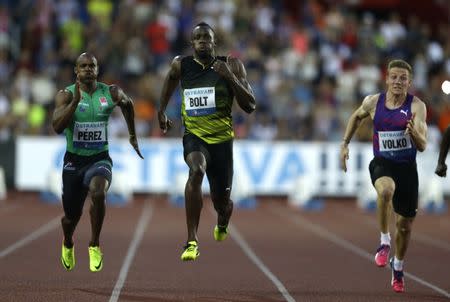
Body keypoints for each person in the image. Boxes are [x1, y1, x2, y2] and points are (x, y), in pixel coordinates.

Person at [157, 22, 256, 261]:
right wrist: (161, 110)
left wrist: (230, 77)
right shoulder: (181, 65)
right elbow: (170, 81)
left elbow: (250, 105)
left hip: (222, 142)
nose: (202, 40)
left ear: (214, 42)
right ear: (192, 43)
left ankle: (222, 221)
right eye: (198, 37)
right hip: (194, 137)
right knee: (196, 170)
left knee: (222, 204)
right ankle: (191, 241)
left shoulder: (232, 65)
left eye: (207, 37)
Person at [339, 59, 427, 293]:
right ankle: (384, 242)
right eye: (394, 77)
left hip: (407, 168)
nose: (398, 81)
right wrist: (345, 144)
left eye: (403, 78)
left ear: (409, 82)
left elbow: (423, 145)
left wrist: (414, 133)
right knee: (386, 190)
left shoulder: (417, 106)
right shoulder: (373, 102)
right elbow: (356, 117)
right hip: (382, 163)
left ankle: (397, 267)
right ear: (386, 79)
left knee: (405, 226)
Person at [52, 52, 143, 272]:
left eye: (91, 66)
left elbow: (128, 104)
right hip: (73, 162)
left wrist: (132, 135)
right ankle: (67, 241)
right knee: (70, 218)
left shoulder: (110, 92)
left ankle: (94, 244)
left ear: (97, 69)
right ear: (76, 71)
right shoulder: (66, 95)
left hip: (99, 158)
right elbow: (56, 127)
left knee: (99, 192)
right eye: (82, 66)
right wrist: (74, 104)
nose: (87, 69)